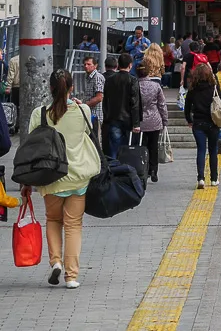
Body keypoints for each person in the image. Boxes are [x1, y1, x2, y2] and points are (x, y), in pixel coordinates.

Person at [21, 70, 101, 289]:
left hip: (51, 178)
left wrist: (26, 183)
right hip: (77, 178)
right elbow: (88, 132)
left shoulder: (40, 114)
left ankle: (55, 261)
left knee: (54, 221)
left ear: (50, 88)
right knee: (73, 225)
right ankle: (71, 276)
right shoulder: (83, 110)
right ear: (71, 88)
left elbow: (31, 147)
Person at [184, 63, 221, 189]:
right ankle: (214, 179)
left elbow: (187, 107)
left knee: (201, 150)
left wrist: (189, 120)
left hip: (198, 123)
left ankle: (200, 178)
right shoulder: (214, 87)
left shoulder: (192, 89)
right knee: (213, 151)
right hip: (213, 123)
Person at [101, 53, 142, 159]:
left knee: (114, 148)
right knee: (128, 148)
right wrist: (136, 123)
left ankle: (114, 171)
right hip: (128, 119)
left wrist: (106, 117)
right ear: (130, 65)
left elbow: (105, 100)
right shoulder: (133, 80)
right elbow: (135, 103)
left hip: (113, 117)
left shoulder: (109, 79)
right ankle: (126, 170)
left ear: (118, 64)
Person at [136, 63, 167, 183]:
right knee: (153, 147)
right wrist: (165, 120)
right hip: (154, 119)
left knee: (142, 146)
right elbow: (162, 105)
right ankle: (154, 170)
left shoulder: (135, 86)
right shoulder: (156, 86)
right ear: (149, 72)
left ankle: (143, 169)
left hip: (140, 121)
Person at [78, 56, 105, 147]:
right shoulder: (87, 77)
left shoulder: (97, 77)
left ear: (95, 66)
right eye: (85, 64)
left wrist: (84, 105)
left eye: (89, 64)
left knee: (95, 141)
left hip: (95, 115)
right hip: (89, 114)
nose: (86, 66)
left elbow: (99, 97)